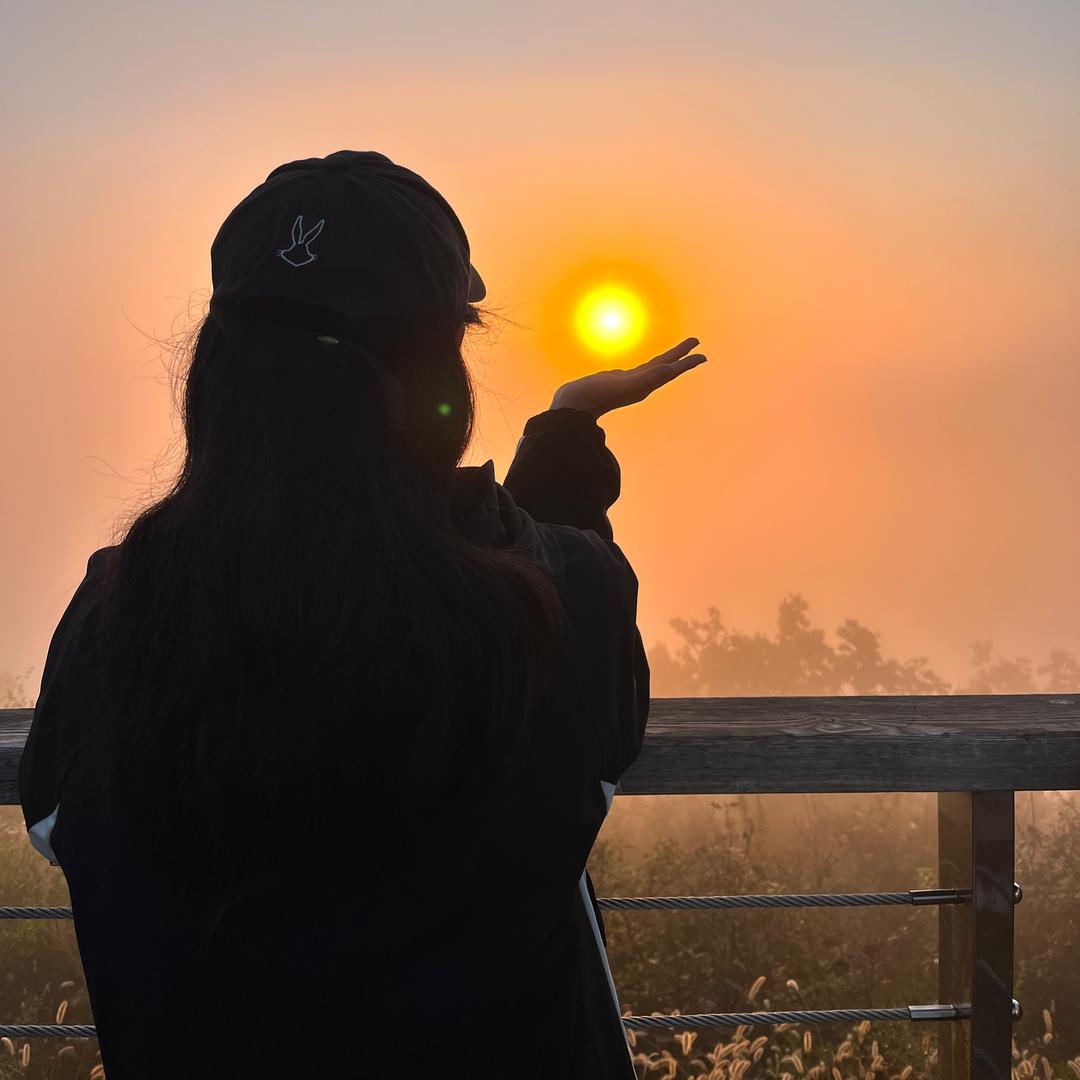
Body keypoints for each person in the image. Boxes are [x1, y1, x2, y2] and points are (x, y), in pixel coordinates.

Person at [18, 149, 707, 1079]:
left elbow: (64, 823)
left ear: (216, 372)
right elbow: (553, 597)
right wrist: (565, 434)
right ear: (440, 375)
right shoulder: (559, 613)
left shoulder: (117, 624)